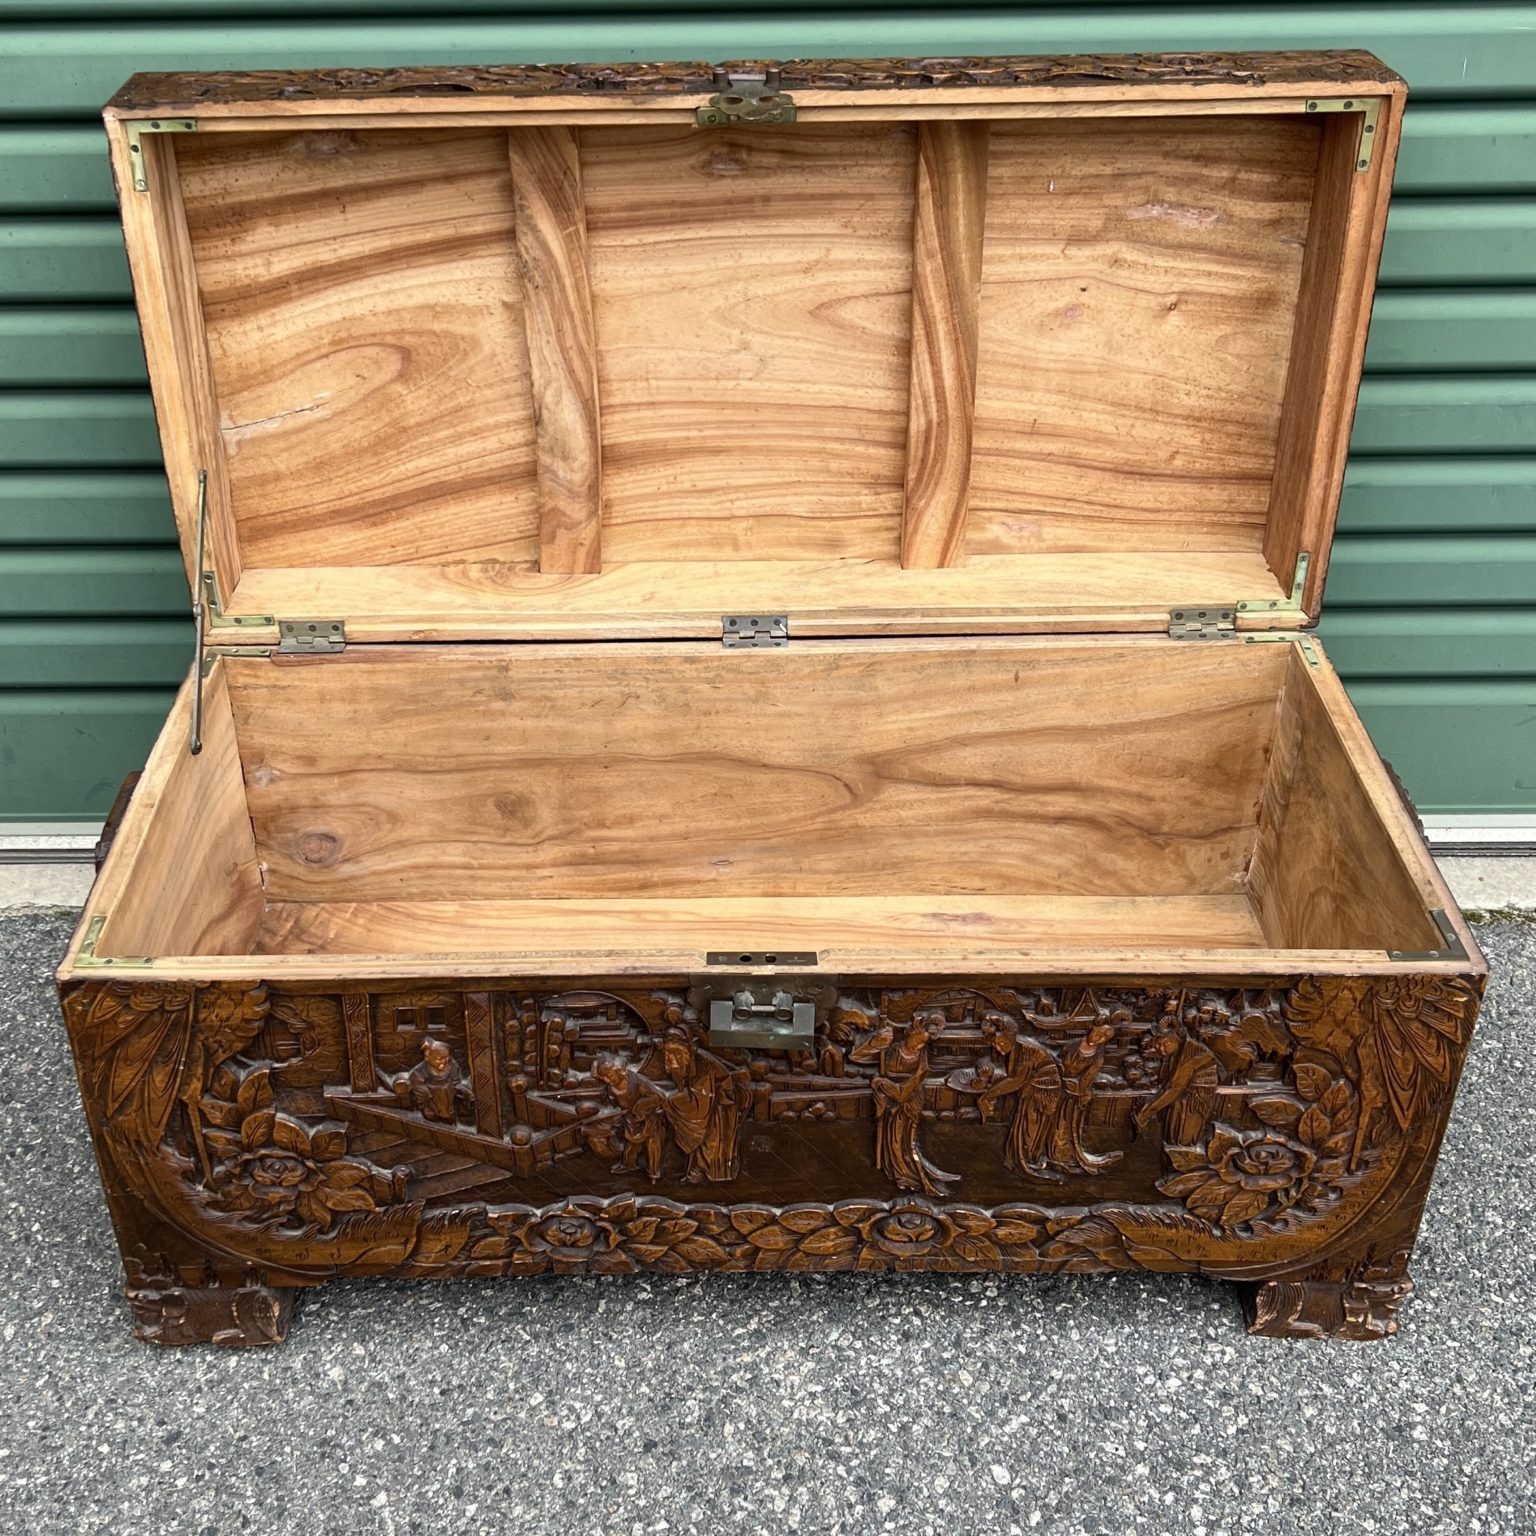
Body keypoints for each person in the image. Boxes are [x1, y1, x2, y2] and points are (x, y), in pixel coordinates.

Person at [851, 1011, 959, 1198]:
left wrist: (888, 1086)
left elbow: (912, 1084)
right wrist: (875, 1042)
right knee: (892, 1140)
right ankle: (899, 1175)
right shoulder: (891, 1050)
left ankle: (912, 1176)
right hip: (890, 1102)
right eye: (918, 1040)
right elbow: (855, 1057)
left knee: (906, 1140)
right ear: (909, 1034)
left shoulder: (921, 1057)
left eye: (924, 1043)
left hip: (909, 1100)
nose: (919, 1045)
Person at [660, 1030, 751, 1183]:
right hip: (707, 1102)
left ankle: (707, 1172)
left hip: (719, 1107)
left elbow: (699, 1099)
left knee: (711, 1142)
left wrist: (669, 1101)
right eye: (668, 1054)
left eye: (676, 1054)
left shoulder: (703, 1063)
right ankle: (697, 1169)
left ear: (687, 1052)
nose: (671, 1058)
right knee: (700, 1138)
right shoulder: (686, 1065)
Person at [590, 1053, 667, 1182]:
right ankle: (628, 1165)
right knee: (631, 1144)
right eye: (604, 1078)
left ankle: (654, 1173)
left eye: (610, 1076)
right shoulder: (611, 1088)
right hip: (631, 1120)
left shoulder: (637, 1081)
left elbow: (659, 1097)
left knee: (652, 1144)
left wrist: (641, 1105)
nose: (608, 1080)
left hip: (648, 1118)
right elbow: (613, 1103)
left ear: (618, 1071)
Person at [393, 1037, 467, 1124]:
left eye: (446, 1057)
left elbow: (456, 1081)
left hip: (449, 1102)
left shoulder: (451, 1064)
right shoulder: (421, 1070)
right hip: (431, 1103)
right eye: (439, 1059)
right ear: (427, 1057)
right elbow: (416, 1087)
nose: (444, 1062)